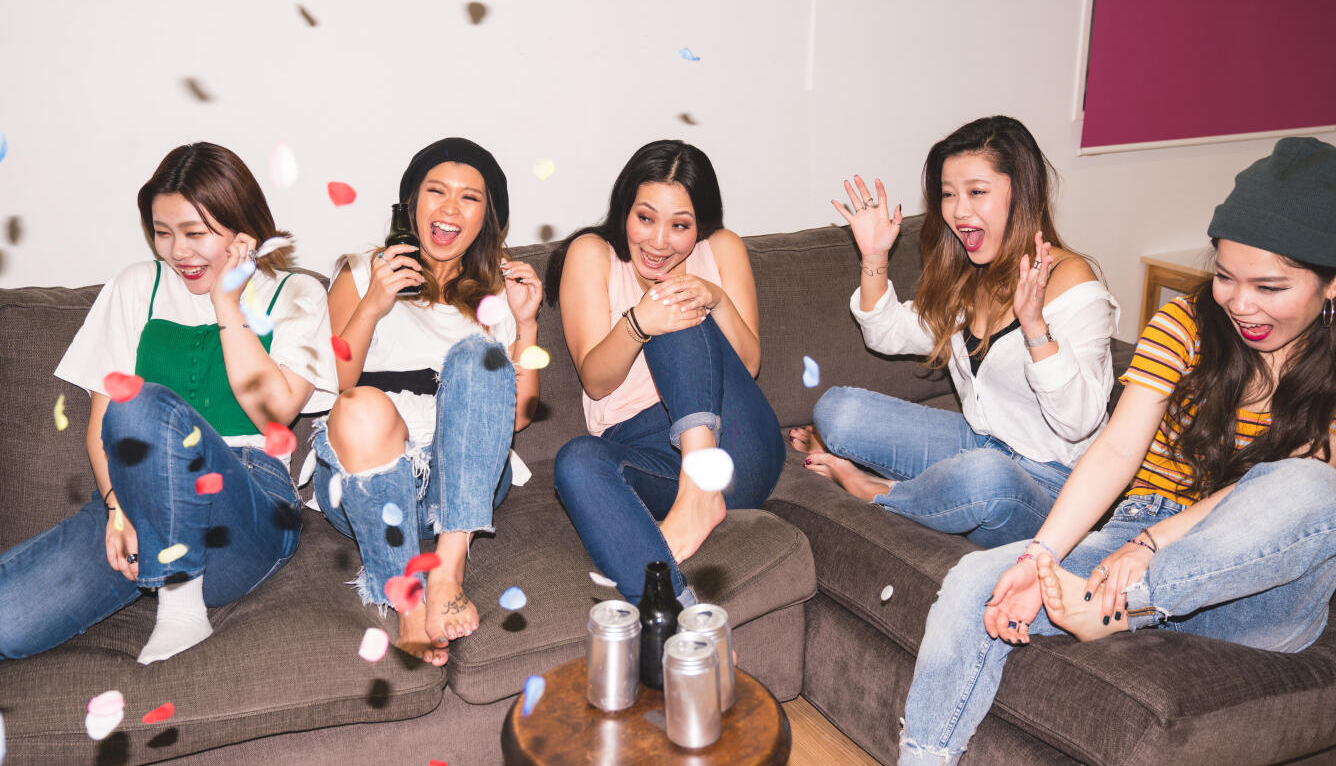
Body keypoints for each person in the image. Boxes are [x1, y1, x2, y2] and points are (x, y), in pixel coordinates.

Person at [842, 136, 1336, 766]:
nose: (1241, 303)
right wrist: (1039, 556)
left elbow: (1277, 501)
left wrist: (1148, 555)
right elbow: (1114, 450)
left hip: (1258, 589)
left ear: (1330, 285)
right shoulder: (1187, 325)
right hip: (1132, 535)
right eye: (1227, 278)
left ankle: (1123, 611)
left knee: (1311, 486)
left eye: (1270, 288)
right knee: (979, 579)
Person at [0, 143, 336, 664]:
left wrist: (227, 303)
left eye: (195, 233)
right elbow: (99, 426)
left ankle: (180, 603)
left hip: (245, 514)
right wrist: (116, 510)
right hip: (135, 500)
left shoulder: (297, 295)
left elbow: (274, 413)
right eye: (163, 232)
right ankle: (163, 563)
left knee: (141, 403)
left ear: (243, 231)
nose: (178, 252)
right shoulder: (136, 287)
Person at [791, 116, 1119, 547]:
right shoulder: (968, 276)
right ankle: (941, 493)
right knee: (838, 410)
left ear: (1021, 192)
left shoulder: (1071, 281)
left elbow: (1079, 423)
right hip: (978, 443)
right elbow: (886, 334)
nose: (959, 210)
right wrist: (874, 257)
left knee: (985, 476)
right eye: (948, 194)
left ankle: (880, 491)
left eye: (977, 192)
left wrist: (1035, 327)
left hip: (1054, 483)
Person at [312, 137, 541, 666]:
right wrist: (374, 302)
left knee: (478, 355)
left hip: (461, 482)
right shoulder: (362, 272)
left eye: (469, 197)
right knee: (360, 405)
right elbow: (333, 383)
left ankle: (446, 570)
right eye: (436, 191)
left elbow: (519, 416)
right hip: (368, 479)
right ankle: (407, 601)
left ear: (487, 218)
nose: (449, 208)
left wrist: (526, 323)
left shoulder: (500, 290)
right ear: (411, 203)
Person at [547, 139, 784, 606]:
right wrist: (639, 322)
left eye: (680, 226)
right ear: (625, 210)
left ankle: (701, 489)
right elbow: (596, 381)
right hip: (646, 450)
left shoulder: (723, 248)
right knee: (575, 461)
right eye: (645, 218)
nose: (658, 242)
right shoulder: (591, 253)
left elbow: (749, 364)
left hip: (737, 445)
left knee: (677, 297)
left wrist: (714, 298)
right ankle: (675, 614)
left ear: (700, 224)